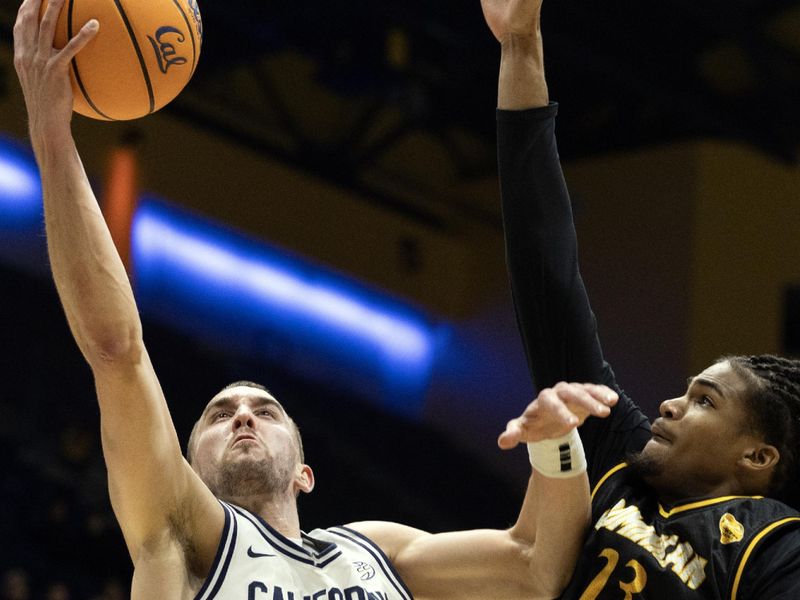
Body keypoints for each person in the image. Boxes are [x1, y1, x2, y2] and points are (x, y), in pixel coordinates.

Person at [13, 0, 618, 597]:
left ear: (305, 473)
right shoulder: (180, 536)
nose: (244, 415)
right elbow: (116, 348)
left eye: (265, 411)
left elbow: (534, 567)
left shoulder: (373, 550)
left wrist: (557, 443)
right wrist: (50, 130)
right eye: (219, 416)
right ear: (188, 465)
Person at [486, 0, 800, 597]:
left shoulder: (777, 546)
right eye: (690, 392)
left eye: (705, 401)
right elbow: (544, 271)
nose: (670, 404)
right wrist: (520, 46)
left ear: (757, 458)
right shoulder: (621, 455)